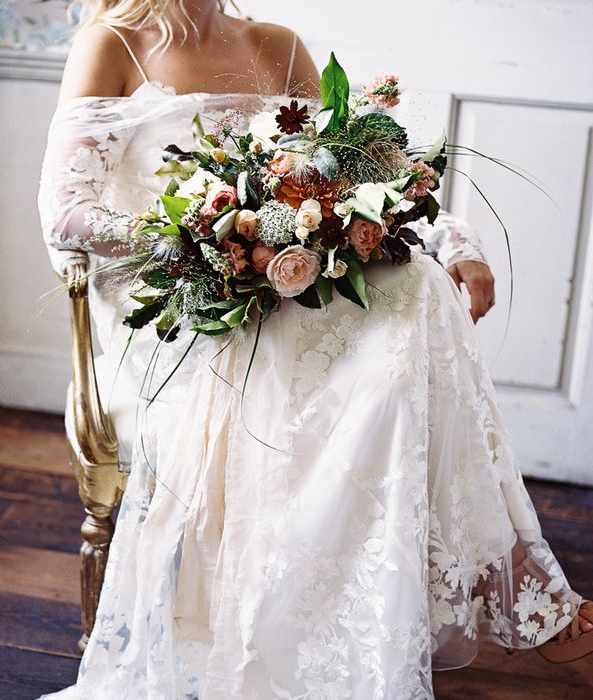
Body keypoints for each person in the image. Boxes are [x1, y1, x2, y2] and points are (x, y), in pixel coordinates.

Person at [36, 1, 593, 697]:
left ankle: (367, 639)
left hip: (291, 284)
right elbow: (64, 211)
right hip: (191, 301)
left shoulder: (276, 44)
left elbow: (366, 176)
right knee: (392, 344)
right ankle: (530, 594)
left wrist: (459, 241)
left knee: (412, 301)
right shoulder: (112, 43)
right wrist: (211, 241)